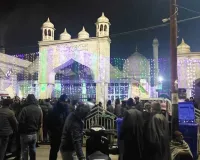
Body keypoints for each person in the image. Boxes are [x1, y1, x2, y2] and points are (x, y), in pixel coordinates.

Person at [18, 94, 42, 160]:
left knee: (24, 151)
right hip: (34, 133)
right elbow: (40, 121)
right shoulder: (38, 109)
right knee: (33, 150)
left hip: (25, 133)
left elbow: (21, 121)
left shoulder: (25, 109)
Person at [47, 94, 68, 160]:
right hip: (56, 134)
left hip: (63, 134)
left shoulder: (66, 109)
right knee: (54, 151)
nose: (65, 103)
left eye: (66, 102)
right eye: (64, 102)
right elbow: (49, 123)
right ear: (60, 101)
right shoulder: (54, 110)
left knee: (66, 152)